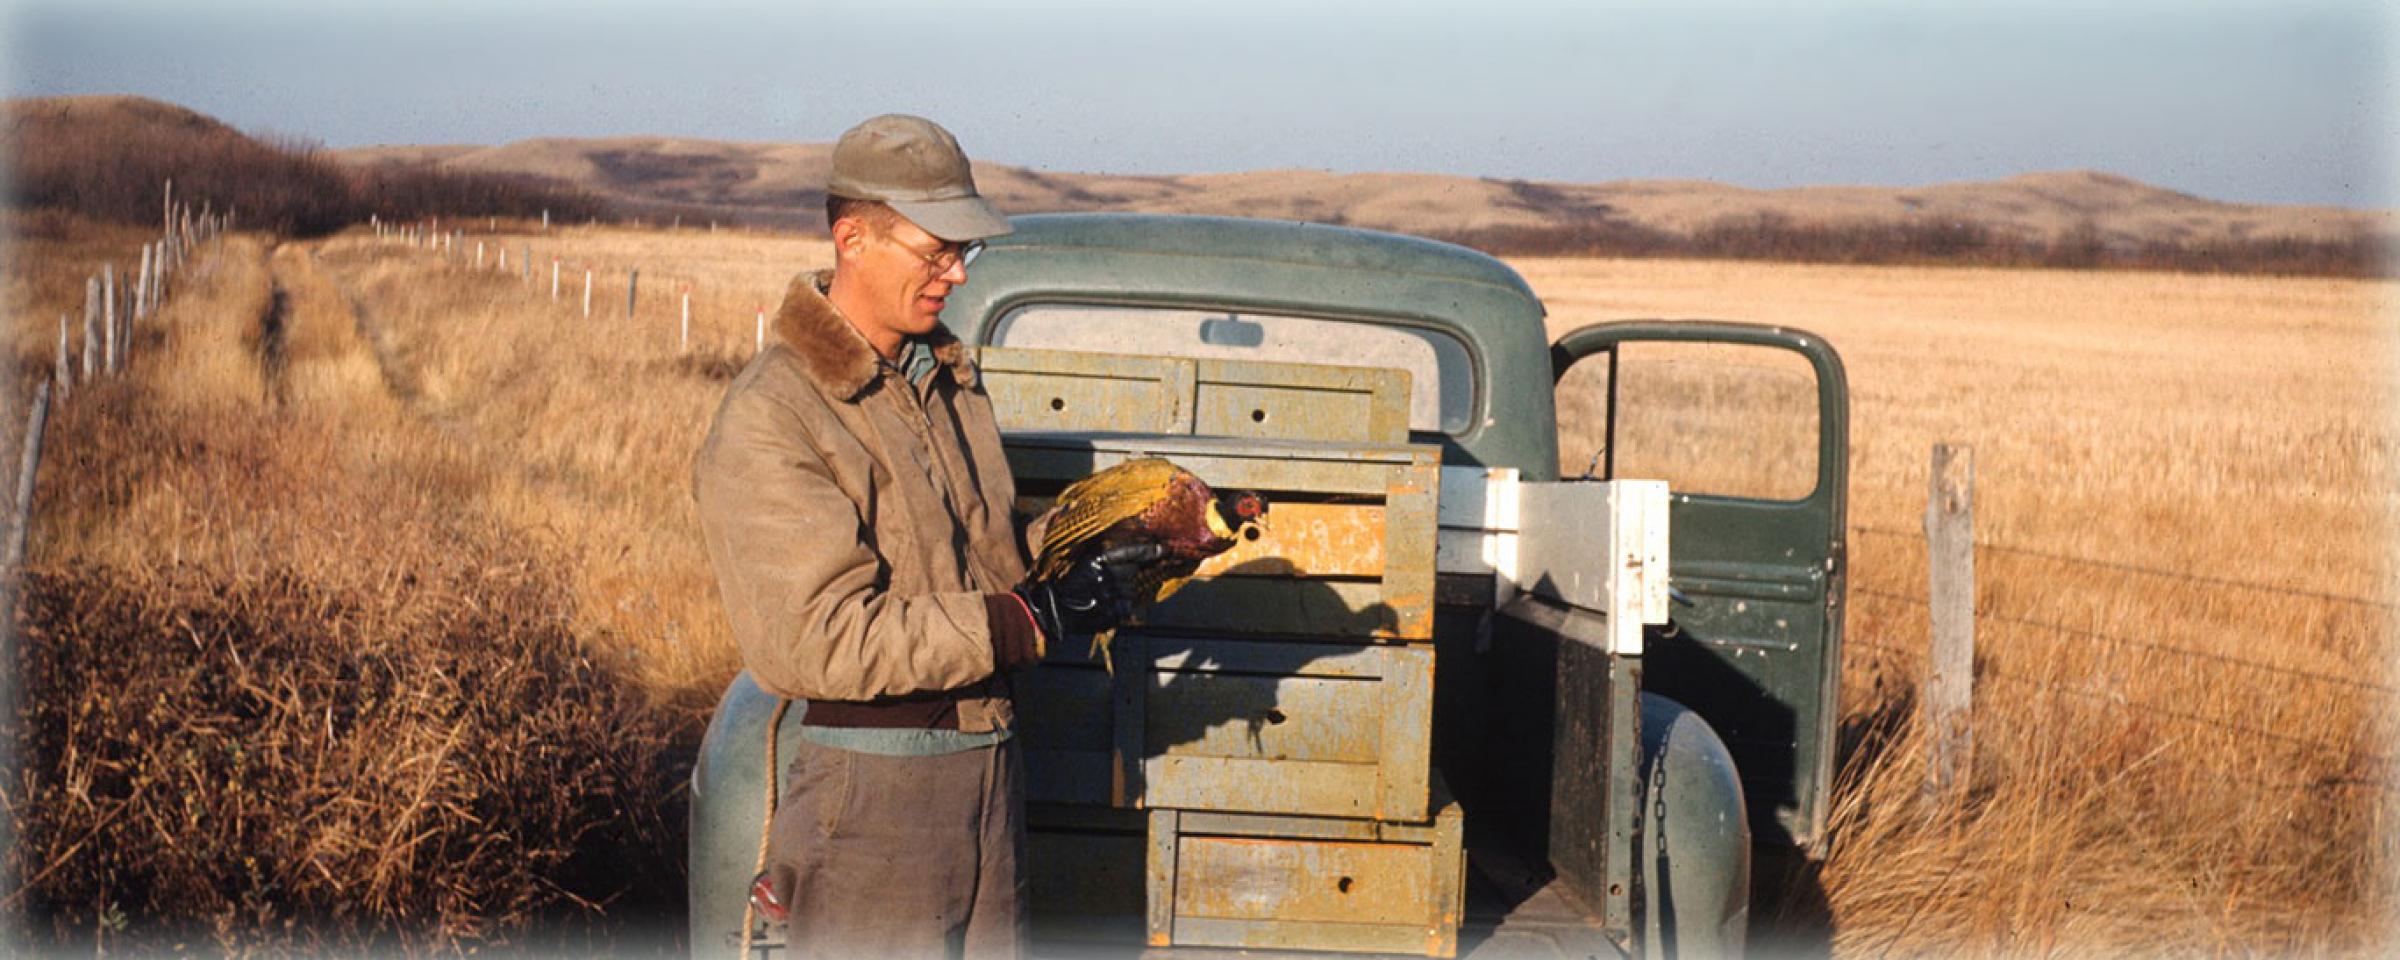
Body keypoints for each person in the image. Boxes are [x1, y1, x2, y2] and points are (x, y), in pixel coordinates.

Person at [692, 114, 1146, 959]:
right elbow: (818, 641)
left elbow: (982, 561)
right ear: (852, 237)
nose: (956, 273)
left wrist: (1112, 534)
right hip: (873, 801)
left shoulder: (943, 377)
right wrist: (1027, 619)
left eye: (963, 253)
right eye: (935, 251)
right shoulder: (774, 414)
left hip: (991, 770)